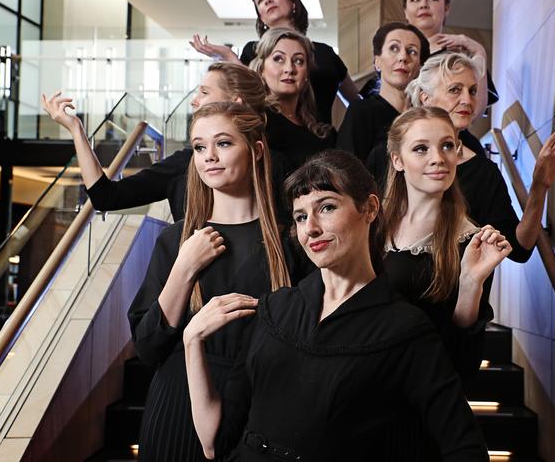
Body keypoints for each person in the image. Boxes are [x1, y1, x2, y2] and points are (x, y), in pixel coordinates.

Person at [183, 149, 489, 461]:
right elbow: (214, 443)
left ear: (369, 208)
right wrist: (191, 341)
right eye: (301, 216)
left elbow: (465, 447)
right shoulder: (274, 310)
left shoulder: (405, 329)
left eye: (327, 207)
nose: (311, 228)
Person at [127, 102, 310, 461]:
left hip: (261, 407)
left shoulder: (292, 241)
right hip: (178, 405)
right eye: (199, 147)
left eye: (223, 143)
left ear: (256, 150)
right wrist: (183, 269)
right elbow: (147, 347)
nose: (209, 156)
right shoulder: (176, 241)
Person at [380, 107, 511, 461]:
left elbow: (464, 361)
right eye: (421, 148)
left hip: (419, 408)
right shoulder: (371, 224)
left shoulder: (471, 241)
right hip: (364, 394)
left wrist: (471, 283)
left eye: (447, 146)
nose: (438, 159)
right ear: (397, 160)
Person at [403, 52, 555, 262]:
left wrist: (539, 187)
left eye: (472, 91)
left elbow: (519, 249)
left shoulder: (483, 172)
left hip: (464, 293)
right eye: (455, 90)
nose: (467, 100)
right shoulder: (393, 158)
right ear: (425, 97)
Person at [42, 63, 268, 221]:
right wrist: (76, 130)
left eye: (205, 92)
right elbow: (105, 197)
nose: (194, 101)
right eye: (200, 148)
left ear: (236, 102)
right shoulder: (183, 165)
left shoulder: (278, 166)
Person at [190, 0, 358, 124]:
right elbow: (250, 96)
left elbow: (356, 102)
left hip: (323, 142)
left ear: (293, 2)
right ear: (261, 16)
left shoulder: (326, 53)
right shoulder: (253, 51)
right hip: (273, 141)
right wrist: (229, 55)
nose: (268, 0)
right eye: (260, 0)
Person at [402, 0, 498, 116]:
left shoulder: (458, 56)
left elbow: (475, 111)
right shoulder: (394, 57)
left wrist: (479, 52)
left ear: (446, 8)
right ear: (405, 11)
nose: (423, 4)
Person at [337, 22, 429, 163]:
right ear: (377, 62)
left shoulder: (426, 117)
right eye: (394, 48)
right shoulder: (361, 111)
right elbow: (345, 171)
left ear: (419, 68)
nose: (403, 57)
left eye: (412, 51)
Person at [250, 27, 335, 174]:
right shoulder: (257, 120)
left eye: (298, 61)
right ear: (261, 69)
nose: (289, 68)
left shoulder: (320, 131)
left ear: (307, 73)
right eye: (278, 59)